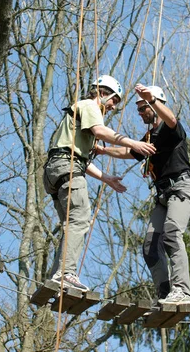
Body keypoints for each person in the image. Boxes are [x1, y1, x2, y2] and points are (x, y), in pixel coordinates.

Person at [44, 75, 156, 292]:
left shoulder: (79, 111)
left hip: (56, 171)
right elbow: (100, 132)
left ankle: (55, 277)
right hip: (67, 167)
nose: (113, 107)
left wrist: (105, 178)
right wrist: (133, 143)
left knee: (72, 225)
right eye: (114, 101)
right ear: (103, 93)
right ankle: (66, 274)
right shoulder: (89, 106)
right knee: (80, 218)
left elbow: (76, 155)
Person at [97, 84, 190, 305]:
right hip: (163, 196)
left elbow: (171, 118)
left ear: (156, 103)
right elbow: (129, 151)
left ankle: (182, 291)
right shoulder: (149, 138)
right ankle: (165, 295)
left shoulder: (170, 130)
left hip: (181, 187)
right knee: (150, 248)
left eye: (143, 108)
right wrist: (103, 150)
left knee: (172, 233)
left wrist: (151, 99)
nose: (141, 113)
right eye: (140, 109)